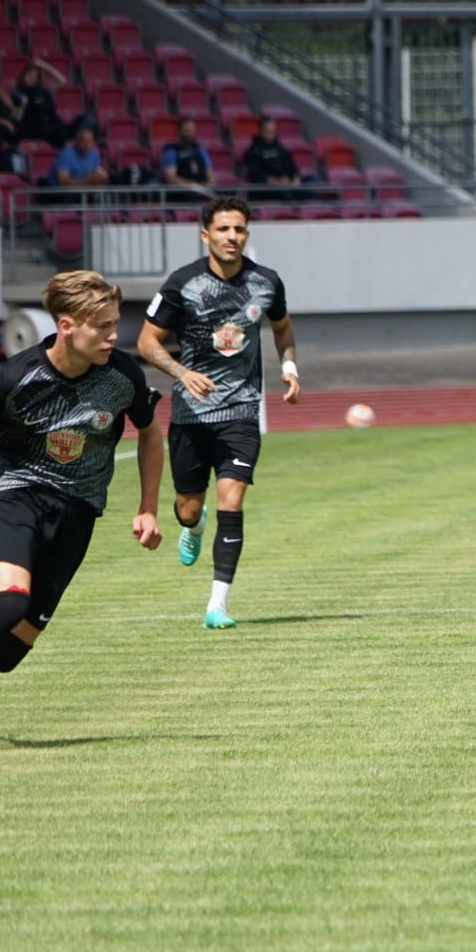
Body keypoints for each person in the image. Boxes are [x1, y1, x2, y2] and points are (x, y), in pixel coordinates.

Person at [0, 271, 164, 757]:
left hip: (78, 513)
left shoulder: (123, 376)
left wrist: (148, 508)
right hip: (19, 495)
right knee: (9, 603)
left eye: (116, 323)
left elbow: (152, 434)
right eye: (102, 326)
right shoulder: (15, 375)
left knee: (8, 654)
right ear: (68, 325)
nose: (115, 336)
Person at [133, 196, 299, 628]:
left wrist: (289, 366)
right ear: (205, 234)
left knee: (234, 498)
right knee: (188, 507)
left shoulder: (267, 282)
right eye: (224, 229)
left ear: (247, 233)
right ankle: (195, 523)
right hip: (191, 414)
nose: (232, 237)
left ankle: (217, 604)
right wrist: (180, 372)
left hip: (242, 410)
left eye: (239, 229)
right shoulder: (182, 283)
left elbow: (282, 328)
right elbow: (147, 342)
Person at [240, 114, 305, 193]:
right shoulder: (253, 151)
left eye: (273, 131)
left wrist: (296, 178)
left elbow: (292, 167)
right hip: (268, 189)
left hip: (287, 183)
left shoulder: (280, 147)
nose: (271, 135)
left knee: (311, 180)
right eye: (268, 131)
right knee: (286, 193)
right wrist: (277, 182)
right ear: (260, 131)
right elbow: (257, 175)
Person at [158, 115, 214, 190]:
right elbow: (171, 178)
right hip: (182, 194)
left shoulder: (200, 149)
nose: (190, 134)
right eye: (187, 130)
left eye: (192, 130)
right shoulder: (171, 150)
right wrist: (194, 186)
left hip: (203, 192)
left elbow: (211, 176)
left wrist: (208, 186)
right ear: (179, 131)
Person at [52, 120, 109, 188]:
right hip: (58, 191)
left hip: (81, 190)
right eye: (84, 141)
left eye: (90, 141)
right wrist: (87, 182)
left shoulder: (95, 153)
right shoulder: (66, 154)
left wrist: (101, 178)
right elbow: (63, 181)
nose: (87, 145)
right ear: (77, 141)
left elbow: (92, 174)